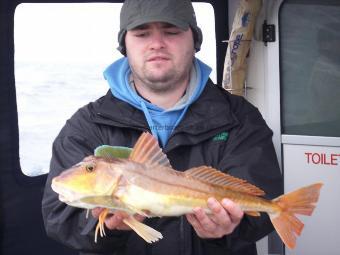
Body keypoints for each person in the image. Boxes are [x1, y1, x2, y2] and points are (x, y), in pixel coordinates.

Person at [42, 0, 283, 254]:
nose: (157, 43)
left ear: (195, 40)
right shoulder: (87, 125)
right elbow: (59, 218)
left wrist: (224, 231)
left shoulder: (240, 118)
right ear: (124, 44)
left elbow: (261, 208)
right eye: (142, 33)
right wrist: (107, 228)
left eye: (171, 31)